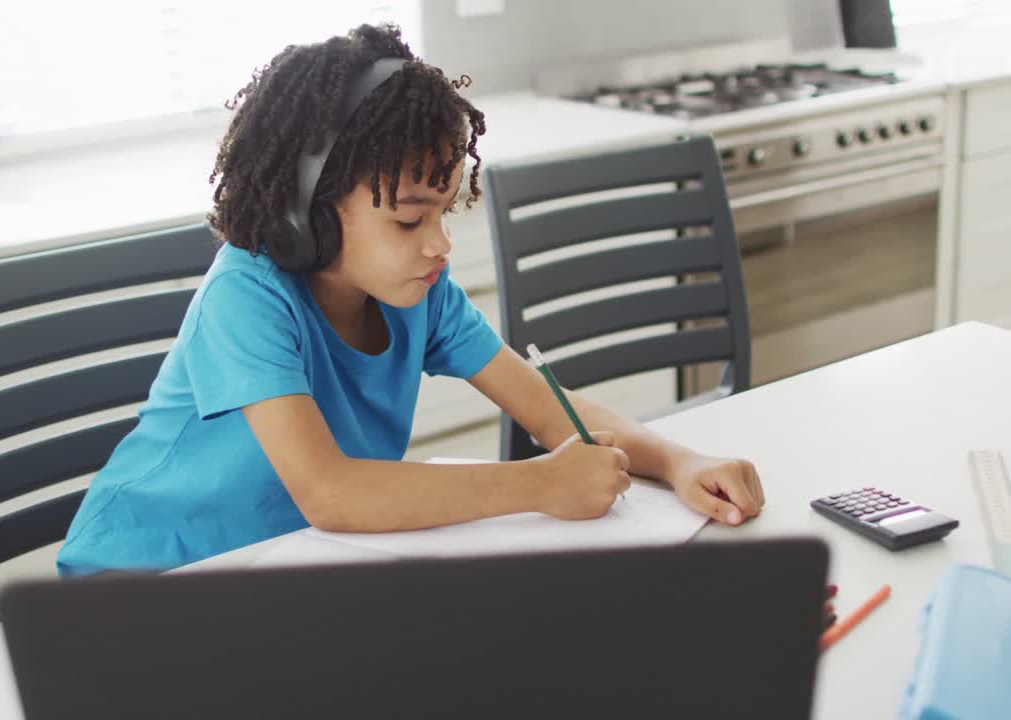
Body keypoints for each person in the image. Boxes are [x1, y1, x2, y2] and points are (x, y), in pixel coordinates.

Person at [57, 23, 764, 577]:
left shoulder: (420, 293)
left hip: (287, 571)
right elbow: (331, 493)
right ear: (312, 209)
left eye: (444, 214)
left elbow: (555, 412)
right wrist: (536, 486)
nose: (439, 245)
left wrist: (679, 463)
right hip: (146, 580)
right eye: (409, 219)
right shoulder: (245, 297)